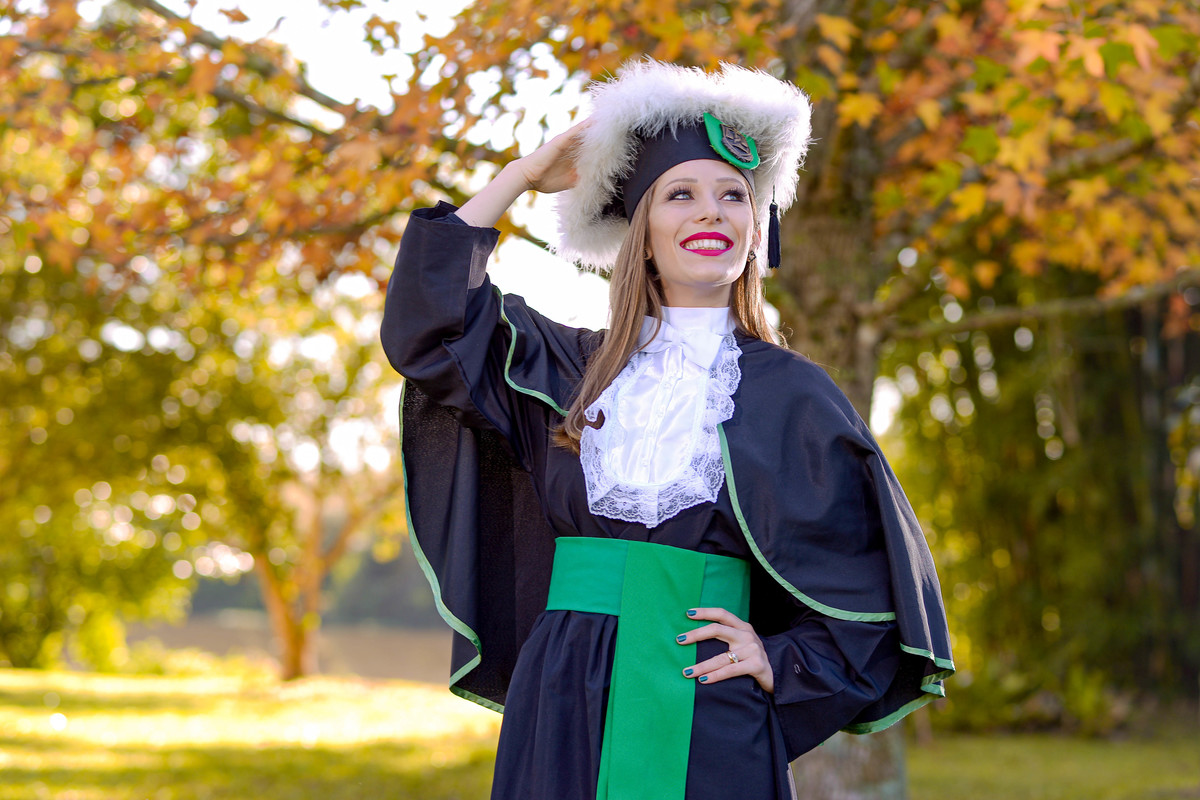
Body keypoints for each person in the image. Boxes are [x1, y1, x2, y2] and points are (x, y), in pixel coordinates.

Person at [381, 60, 953, 800]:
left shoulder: (794, 394)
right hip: (563, 693)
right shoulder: (563, 369)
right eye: (680, 194)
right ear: (642, 234)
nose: (710, 213)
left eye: (733, 196)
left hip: (706, 695)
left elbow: (872, 577)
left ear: (755, 230)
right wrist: (521, 176)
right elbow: (430, 325)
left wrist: (782, 659)